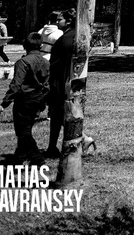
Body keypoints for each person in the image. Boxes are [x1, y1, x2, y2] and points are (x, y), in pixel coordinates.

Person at [0, 32, 48, 163]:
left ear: (25, 46)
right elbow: (48, 84)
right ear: (41, 45)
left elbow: (16, 85)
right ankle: (20, 157)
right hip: (38, 99)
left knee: (23, 132)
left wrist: (5, 103)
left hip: (24, 100)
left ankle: (37, 157)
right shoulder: (46, 62)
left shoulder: (23, 62)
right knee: (26, 129)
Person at [45, 9, 75, 157]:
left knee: (59, 116)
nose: (57, 22)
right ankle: (53, 146)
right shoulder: (70, 36)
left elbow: (60, 64)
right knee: (60, 116)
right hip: (64, 82)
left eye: (60, 20)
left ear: (68, 21)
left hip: (60, 82)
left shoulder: (66, 39)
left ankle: (55, 146)